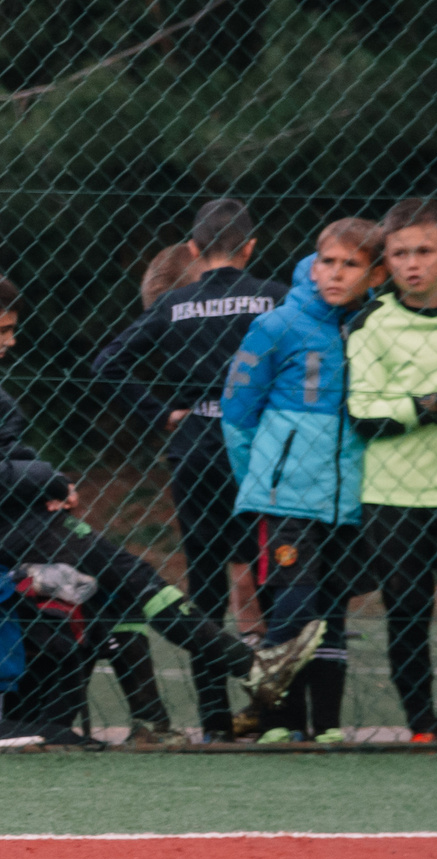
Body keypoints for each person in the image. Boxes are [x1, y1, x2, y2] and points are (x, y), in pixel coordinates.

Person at [0, 263, 318, 747]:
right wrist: (46, 478)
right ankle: (249, 668)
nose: (12, 341)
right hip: (0, 533)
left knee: (122, 585)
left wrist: (43, 485)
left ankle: (79, 720)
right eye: (3, 329)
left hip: (12, 521)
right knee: (129, 575)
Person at [85, 200, 287, 732]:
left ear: (193, 250)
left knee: (206, 584)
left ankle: (215, 721)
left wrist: (161, 412)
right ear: (251, 246)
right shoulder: (272, 297)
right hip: (256, 447)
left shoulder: (174, 304)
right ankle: (273, 711)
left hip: (196, 444)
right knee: (268, 572)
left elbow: (106, 362)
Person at [224, 219, 387, 741]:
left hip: (347, 497)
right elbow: (237, 413)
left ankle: (329, 725)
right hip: (286, 497)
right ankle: (278, 721)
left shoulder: (373, 328)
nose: (335, 274)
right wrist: (262, 480)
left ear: (375, 273)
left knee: (333, 610)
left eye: (351, 264)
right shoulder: (278, 326)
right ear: (313, 264)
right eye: (328, 261)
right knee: (294, 604)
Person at [348, 199, 437, 742]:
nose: (414, 263)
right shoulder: (371, 324)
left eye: (425, 251)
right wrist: (432, 404)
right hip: (395, 496)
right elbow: (365, 413)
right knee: (408, 615)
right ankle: (421, 728)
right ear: (386, 263)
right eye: (401, 253)